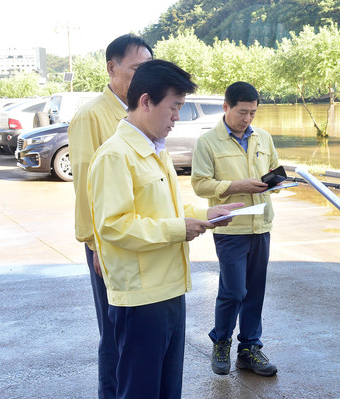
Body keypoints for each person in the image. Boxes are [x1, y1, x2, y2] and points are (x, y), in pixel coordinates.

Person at [87, 59, 243, 398]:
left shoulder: (155, 150)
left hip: (170, 289)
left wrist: (207, 212)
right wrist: (178, 229)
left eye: (181, 108)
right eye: (174, 108)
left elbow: (169, 208)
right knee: (140, 389)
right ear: (145, 102)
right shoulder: (116, 156)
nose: (176, 117)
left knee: (167, 388)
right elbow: (114, 226)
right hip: (142, 298)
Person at [67, 34, 152, 398]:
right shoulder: (92, 116)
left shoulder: (140, 112)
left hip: (135, 237)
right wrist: (95, 244)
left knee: (132, 331)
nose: (143, 75)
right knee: (115, 330)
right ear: (111, 67)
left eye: (147, 68)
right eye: (136, 68)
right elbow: (86, 185)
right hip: (107, 243)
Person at [191, 81, 280, 377]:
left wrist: (276, 182)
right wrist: (236, 186)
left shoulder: (263, 138)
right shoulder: (208, 143)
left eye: (253, 113)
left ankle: (249, 349)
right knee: (234, 290)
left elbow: (275, 170)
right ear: (226, 107)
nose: (248, 119)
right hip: (230, 229)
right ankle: (221, 341)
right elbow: (201, 183)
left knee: (255, 290)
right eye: (243, 112)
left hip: (261, 225)